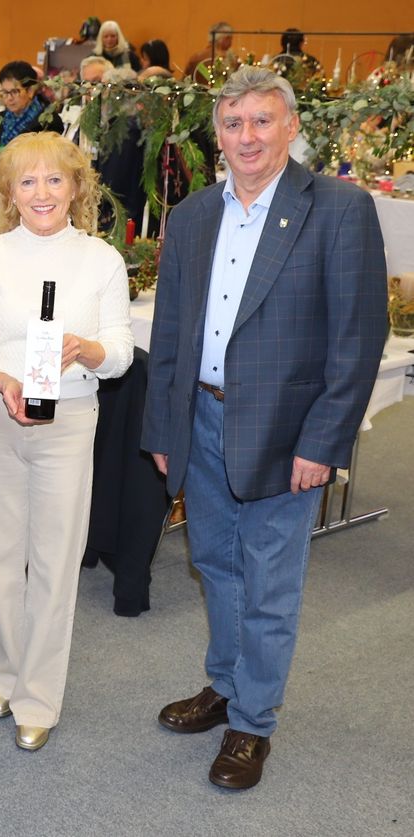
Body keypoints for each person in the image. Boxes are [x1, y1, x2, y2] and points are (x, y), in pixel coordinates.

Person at [143, 66, 388, 790]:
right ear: (217, 134)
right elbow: (170, 333)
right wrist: (165, 428)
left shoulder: (339, 208)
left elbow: (358, 337)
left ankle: (252, 722)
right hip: (202, 418)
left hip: (287, 430)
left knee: (270, 579)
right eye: (233, 123)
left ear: (289, 126)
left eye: (261, 120)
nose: (246, 136)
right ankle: (225, 684)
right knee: (215, 564)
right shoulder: (193, 215)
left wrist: (324, 442)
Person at [0, 131, 132, 752]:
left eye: (55, 179)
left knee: (55, 561)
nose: (42, 192)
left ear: (77, 188)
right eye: (28, 181)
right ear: (9, 192)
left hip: (69, 419)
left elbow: (120, 352)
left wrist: (87, 349)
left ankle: (38, 696)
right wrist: (1, 378)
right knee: (0, 556)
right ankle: (5, 673)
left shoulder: (101, 260)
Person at [0, 62, 60, 150]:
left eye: (15, 92)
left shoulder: (48, 122)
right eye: (5, 92)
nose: (9, 98)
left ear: (30, 91)